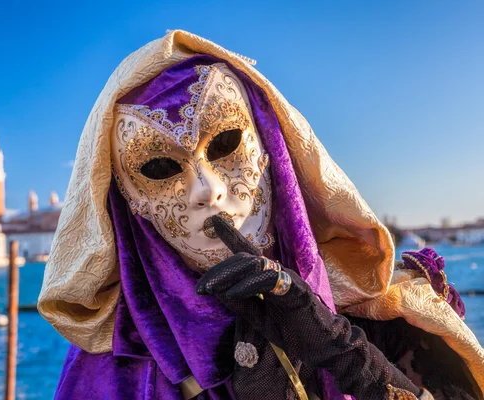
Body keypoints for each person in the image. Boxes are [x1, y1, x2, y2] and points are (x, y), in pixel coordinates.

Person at [38, 30, 484, 399]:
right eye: (159, 168)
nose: (206, 191)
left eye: (225, 144)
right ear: (130, 205)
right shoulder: (115, 370)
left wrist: (334, 345)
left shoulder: (388, 315)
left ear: (272, 150)